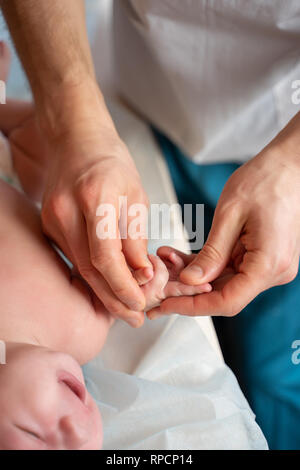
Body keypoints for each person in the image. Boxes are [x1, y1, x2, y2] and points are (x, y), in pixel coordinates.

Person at [1, 0, 299, 448]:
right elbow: (128, 288)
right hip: (166, 97)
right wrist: (158, 278)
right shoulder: (74, 329)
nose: (74, 438)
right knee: (277, 383)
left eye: (33, 438)